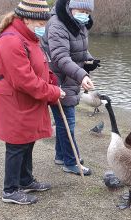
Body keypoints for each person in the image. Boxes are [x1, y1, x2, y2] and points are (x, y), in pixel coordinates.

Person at [0, 0, 65, 205]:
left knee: (27, 141)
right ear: (26, 19)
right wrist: (52, 92)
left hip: (27, 102)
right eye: (40, 23)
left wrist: (51, 78)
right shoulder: (11, 41)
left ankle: (25, 180)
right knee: (16, 145)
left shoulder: (29, 37)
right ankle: (10, 190)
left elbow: (38, 65)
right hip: (14, 103)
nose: (44, 28)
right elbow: (24, 81)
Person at [41, 0, 100, 176]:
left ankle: (62, 155)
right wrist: (81, 75)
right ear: (70, 7)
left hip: (68, 77)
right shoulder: (58, 24)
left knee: (62, 121)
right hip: (57, 80)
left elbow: (79, 51)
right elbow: (60, 57)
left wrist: (89, 61)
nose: (84, 14)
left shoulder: (78, 23)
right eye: (80, 10)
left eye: (87, 11)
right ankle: (71, 161)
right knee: (68, 122)